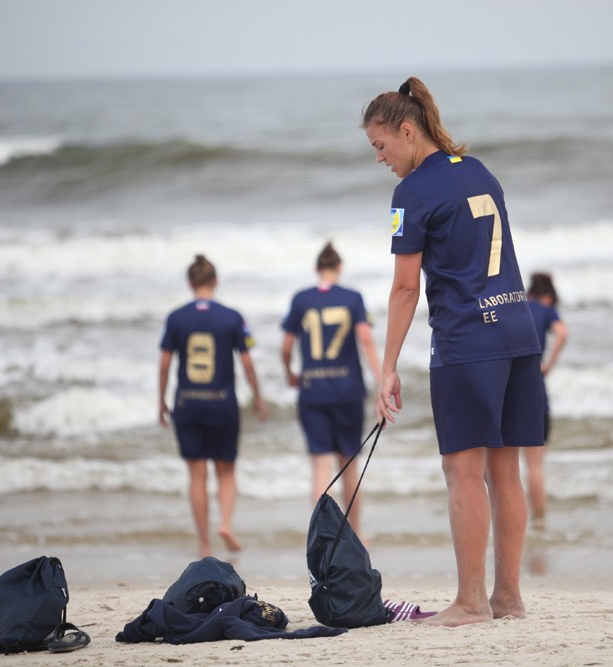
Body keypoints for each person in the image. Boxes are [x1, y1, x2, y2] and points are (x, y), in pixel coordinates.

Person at [363, 77, 543, 626]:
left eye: (381, 146)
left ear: (408, 130)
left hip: (468, 342)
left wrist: (388, 366)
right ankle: (507, 598)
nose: (381, 159)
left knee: (462, 472)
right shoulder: (479, 169)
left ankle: (470, 602)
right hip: (518, 332)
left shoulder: (413, 193)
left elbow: (404, 288)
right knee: (505, 473)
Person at [158, 254, 268, 558]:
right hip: (222, 404)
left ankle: (205, 544)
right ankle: (226, 525)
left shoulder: (175, 318)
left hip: (187, 404)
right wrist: (258, 396)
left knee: (196, 475)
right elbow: (246, 361)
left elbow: (165, 363)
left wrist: (161, 400)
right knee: (226, 471)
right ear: (214, 281)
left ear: (190, 283)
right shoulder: (232, 317)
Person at [281, 242, 381, 535]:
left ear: (317, 269)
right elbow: (365, 340)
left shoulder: (301, 299)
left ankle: (323, 541)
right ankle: (355, 536)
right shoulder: (353, 298)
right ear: (339, 268)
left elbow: (286, 346)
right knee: (349, 466)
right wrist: (380, 380)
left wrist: (290, 372)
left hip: (312, 390)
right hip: (348, 389)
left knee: (320, 469)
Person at [525, 271, 568, 525]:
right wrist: (548, 364)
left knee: (505, 470)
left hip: (511, 391)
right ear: (549, 296)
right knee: (535, 466)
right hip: (536, 392)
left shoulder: (518, 306)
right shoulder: (545, 309)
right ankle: (539, 521)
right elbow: (562, 333)